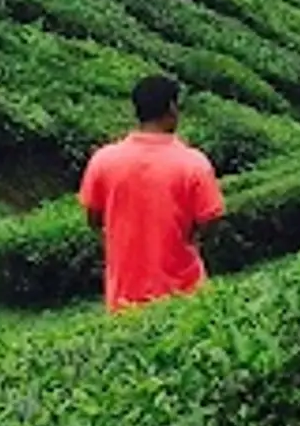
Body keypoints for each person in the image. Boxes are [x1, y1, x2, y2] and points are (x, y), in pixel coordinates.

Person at [79, 72, 227, 312]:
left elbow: (94, 218)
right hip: (184, 294)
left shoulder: (103, 160)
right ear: (171, 108)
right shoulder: (193, 163)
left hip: (124, 297)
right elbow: (212, 220)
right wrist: (190, 239)